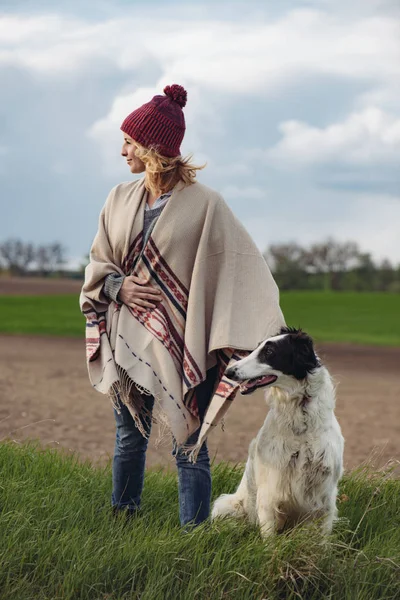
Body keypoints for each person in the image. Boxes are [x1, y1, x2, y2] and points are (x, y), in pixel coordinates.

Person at [80, 84, 285, 527]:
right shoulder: (119, 198)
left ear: (153, 148)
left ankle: (193, 534)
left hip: (187, 341)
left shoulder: (206, 205)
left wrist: (264, 331)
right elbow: (100, 262)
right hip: (128, 337)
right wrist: (120, 289)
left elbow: (243, 267)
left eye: (130, 142)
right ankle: (124, 521)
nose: (122, 151)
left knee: (189, 443)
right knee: (128, 437)